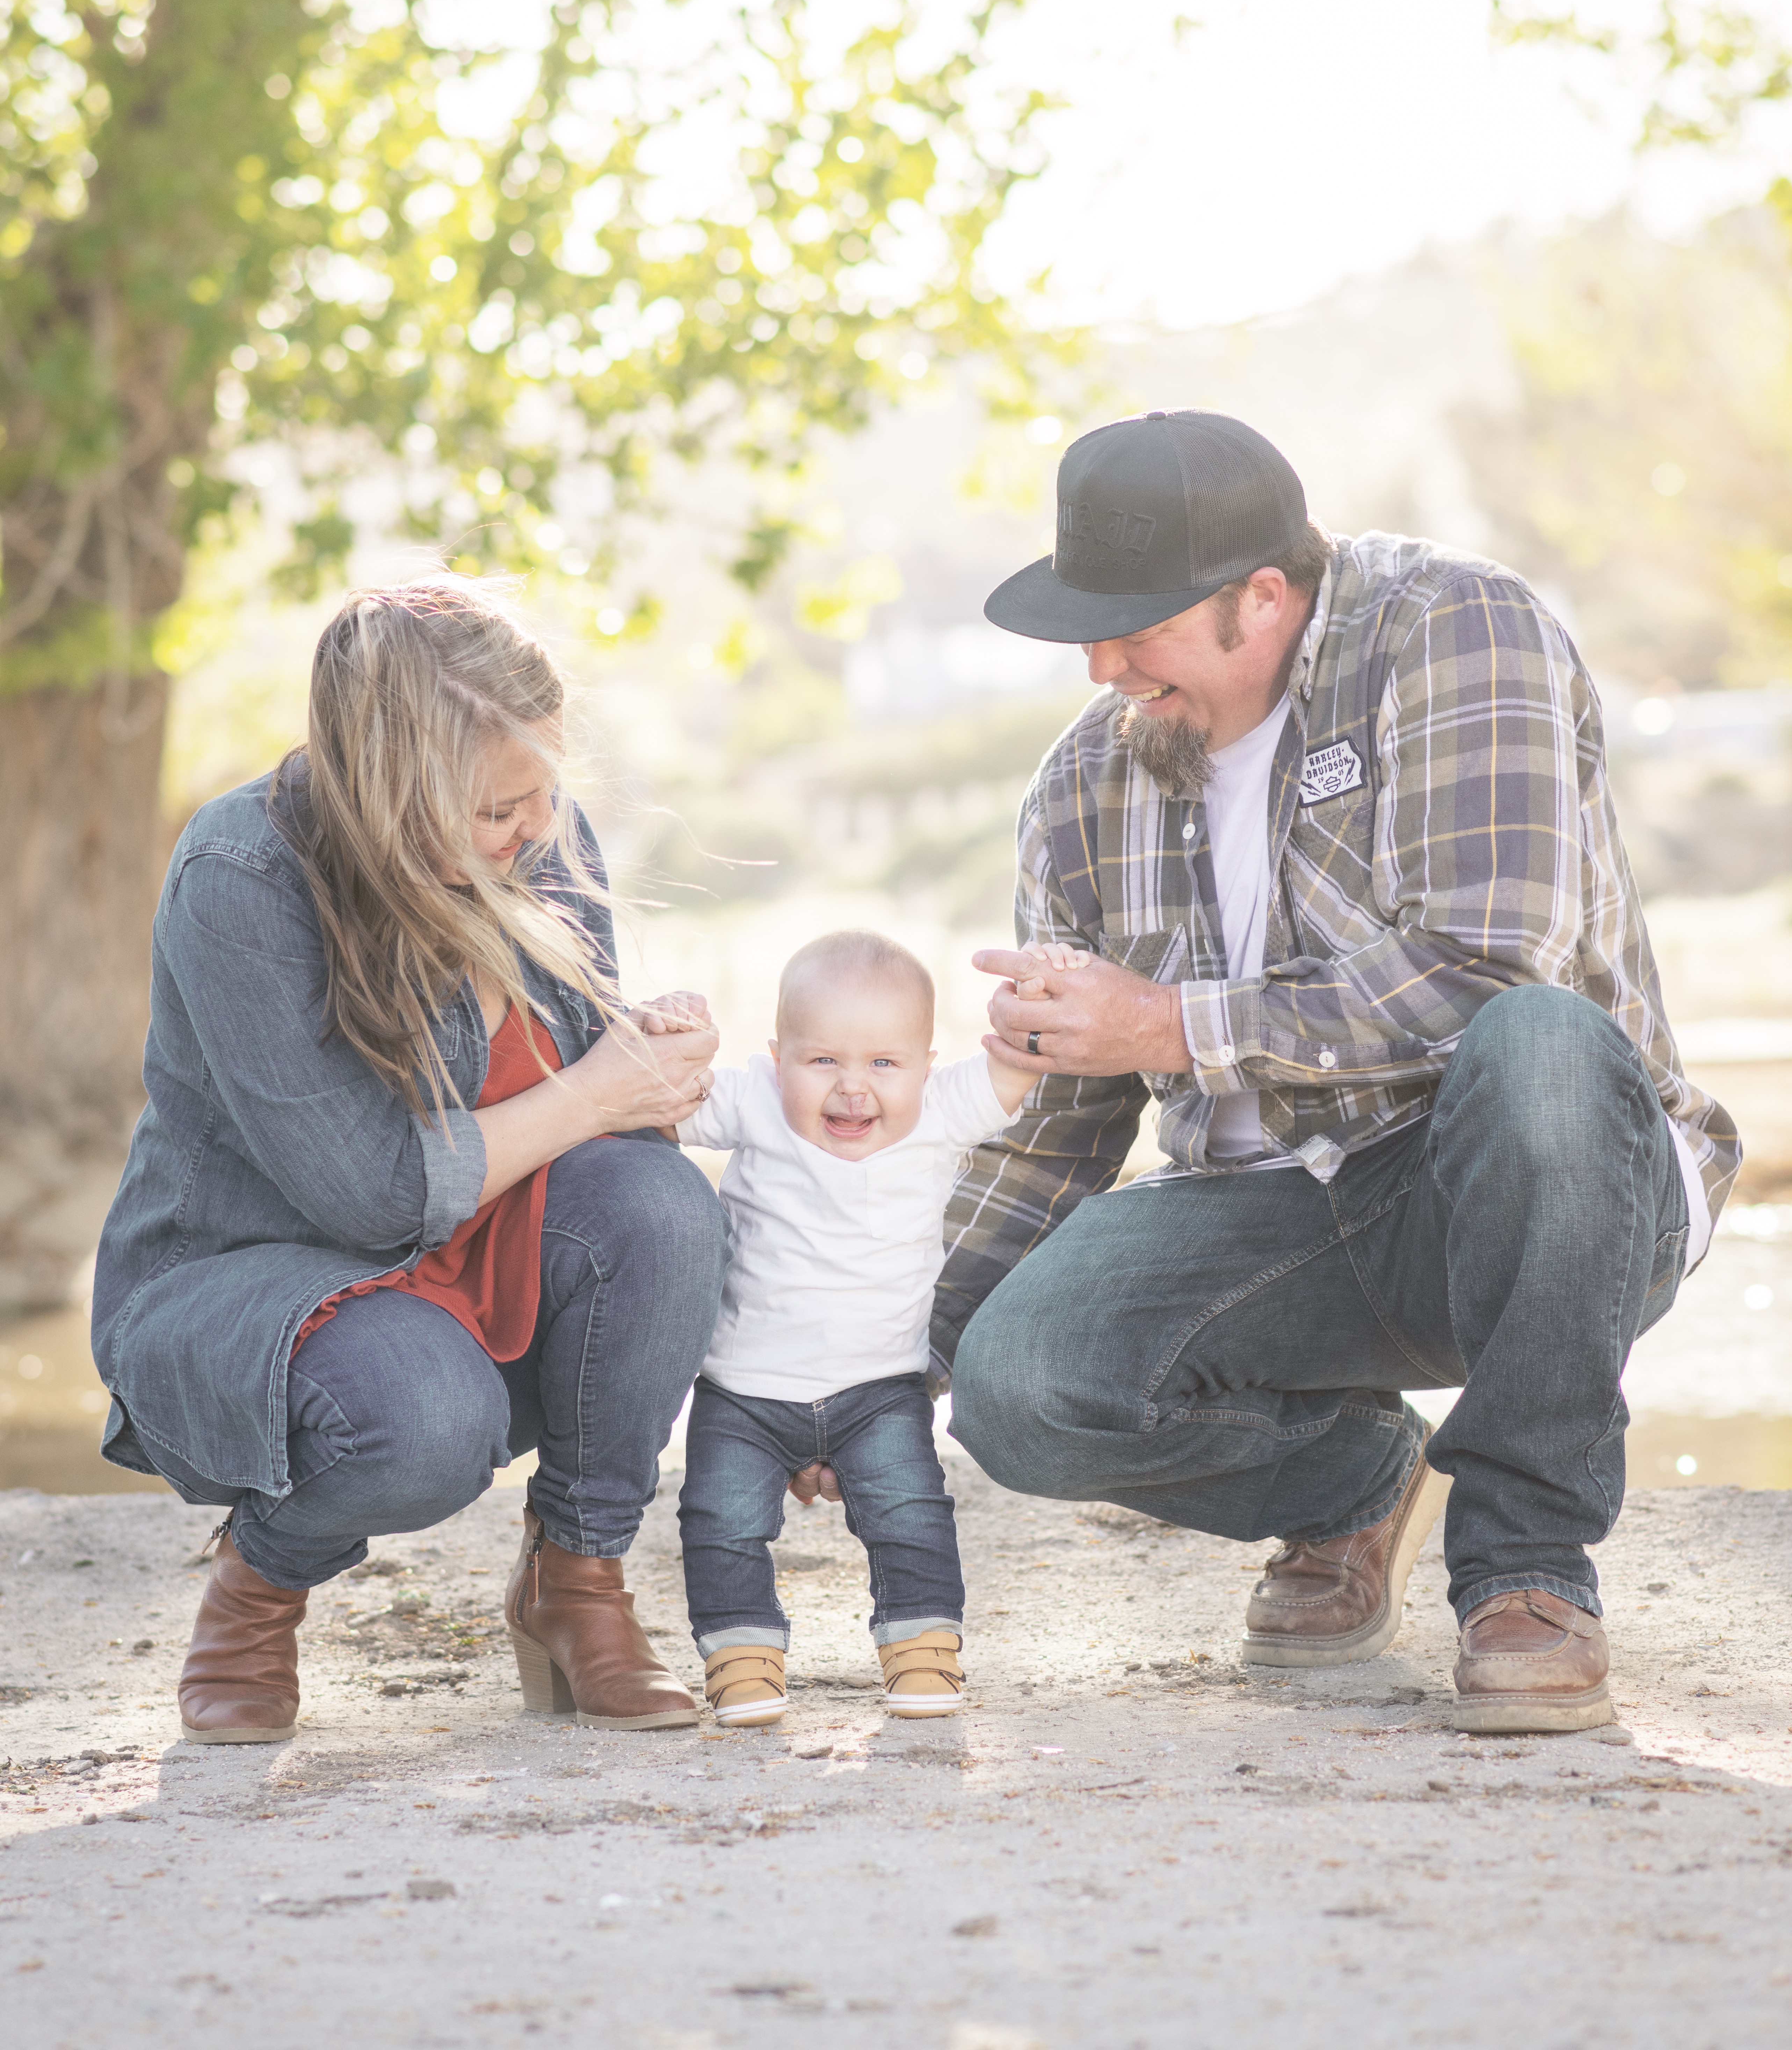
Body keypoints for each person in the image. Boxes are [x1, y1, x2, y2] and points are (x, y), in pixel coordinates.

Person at [936, 408, 1740, 1735]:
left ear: (1264, 596)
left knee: (1538, 1043)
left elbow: (1492, 969)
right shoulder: (1081, 787)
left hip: (1535, 1182)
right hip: (1282, 1220)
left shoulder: (1457, 631)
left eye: (1136, 625)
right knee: (1015, 1380)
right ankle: (1356, 1483)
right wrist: (889, 1360)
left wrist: (1176, 1026)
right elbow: (1059, 1119)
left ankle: (1527, 1571)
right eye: (1090, 622)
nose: (1101, 663)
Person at [91, 577, 726, 1742]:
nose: (532, 831)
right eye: (495, 809)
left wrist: (653, 1060)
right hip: (270, 1278)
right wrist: (597, 1089)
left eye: (542, 791)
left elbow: (597, 1117)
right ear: (387, 789)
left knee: (666, 1207)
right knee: (426, 1419)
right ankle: (258, 1585)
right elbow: (366, 1191)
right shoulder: (242, 877)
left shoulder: (539, 832)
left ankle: (576, 1583)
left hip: (482, 1252)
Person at [669, 930, 1068, 1726]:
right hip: (743, 1392)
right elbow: (662, 1098)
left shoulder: (938, 1113)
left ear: (926, 1063)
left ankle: (922, 1650)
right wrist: (668, 1036)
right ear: (779, 1058)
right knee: (720, 1522)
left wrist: (1041, 1006)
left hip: (881, 1390)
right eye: (823, 1062)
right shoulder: (753, 1100)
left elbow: (1019, 1067)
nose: (854, 1089)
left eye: (885, 1064)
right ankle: (741, 1657)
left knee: (912, 1516)